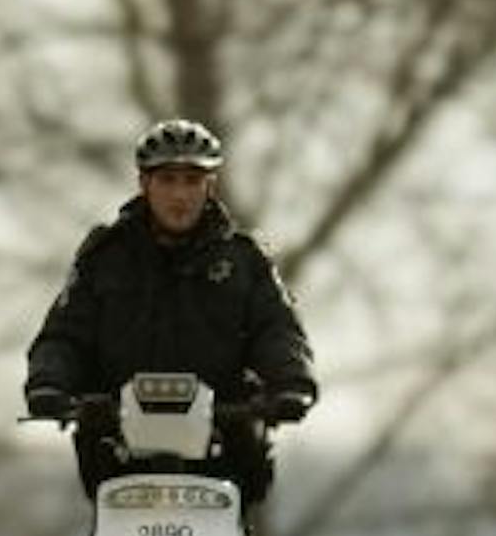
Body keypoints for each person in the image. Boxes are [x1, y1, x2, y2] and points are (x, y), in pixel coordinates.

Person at [24, 118, 316, 505]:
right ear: (144, 184)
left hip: (221, 461)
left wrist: (292, 383)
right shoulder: (104, 258)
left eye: (192, 180)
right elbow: (65, 334)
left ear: (210, 186)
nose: (180, 194)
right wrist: (49, 384)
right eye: (167, 180)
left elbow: (277, 331)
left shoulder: (245, 262)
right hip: (121, 457)